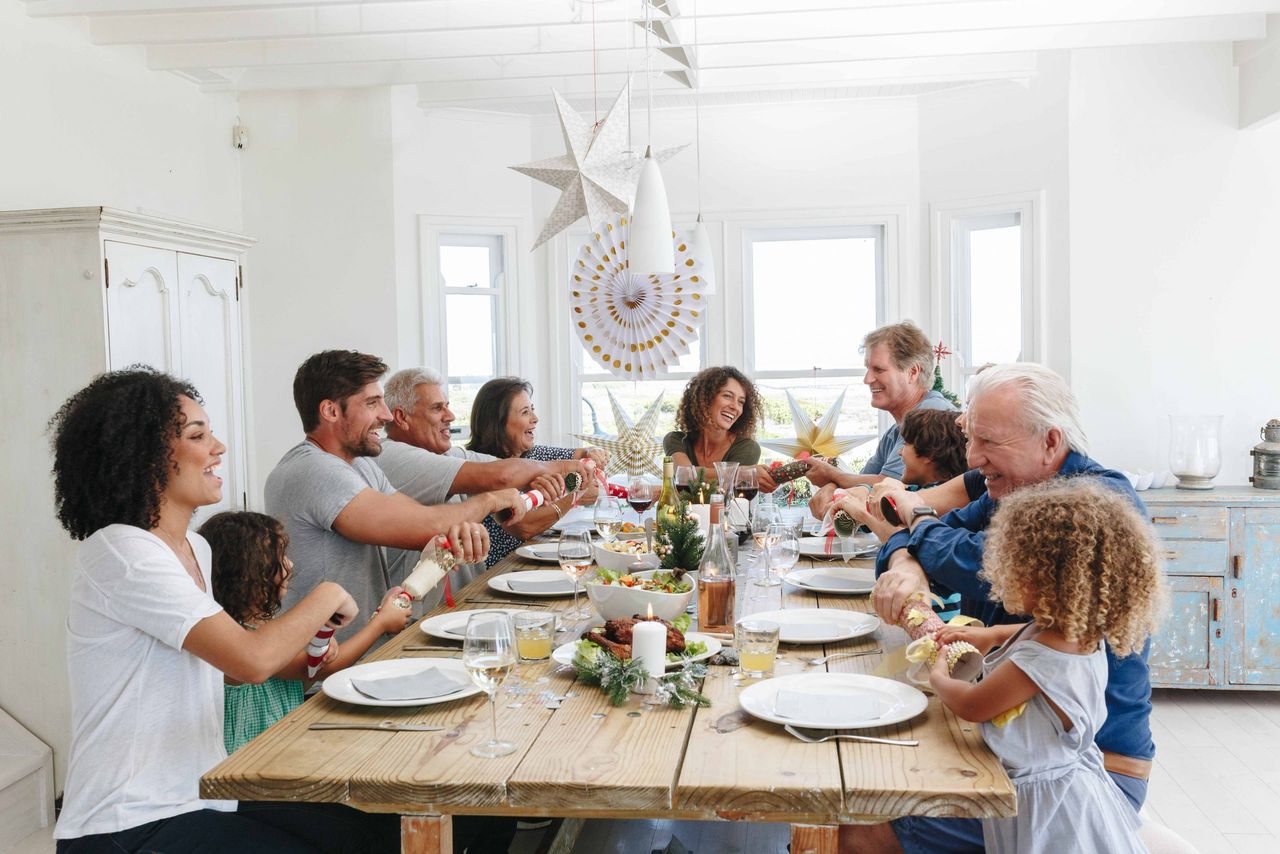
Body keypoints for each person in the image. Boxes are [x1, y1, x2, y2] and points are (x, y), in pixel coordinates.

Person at [49, 367, 395, 853]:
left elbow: (222, 671)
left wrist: (304, 645)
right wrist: (325, 596)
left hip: (206, 794)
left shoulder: (194, 546)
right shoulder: (122, 551)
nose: (219, 447)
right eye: (198, 435)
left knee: (377, 827)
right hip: (128, 822)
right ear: (145, 458)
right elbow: (249, 662)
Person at [833, 362, 1155, 854]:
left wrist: (913, 537)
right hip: (1018, 754)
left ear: (1050, 441)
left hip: (1088, 778)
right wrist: (910, 555)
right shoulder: (1010, 484)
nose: (973, 457)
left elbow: (962, 559)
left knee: (864, 821)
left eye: (988, 441)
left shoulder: (1092, 507)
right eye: (970, 439)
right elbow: (929, 543)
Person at [930, 479, 1163, 853]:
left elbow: (971, 704)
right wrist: (990, 636)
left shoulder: (1039, 660)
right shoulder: (1074, 631)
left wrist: (939, 674)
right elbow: (1027, 629)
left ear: (1048, 577)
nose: (1005, 575)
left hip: (1048, 806)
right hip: (1073, 785)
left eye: (1015, 565)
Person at [265, 351, 526, 641]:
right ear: (330, 411)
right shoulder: (315, 470)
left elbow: (420, 520)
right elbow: (426, 527)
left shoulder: (359, 464)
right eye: (372, 403)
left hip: (369, 654)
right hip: (328, 671)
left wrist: (453, 532)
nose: (386, 415)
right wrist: (490, 500)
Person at [199, 511, 414, 753]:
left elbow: (313, 661)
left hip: (279, 745)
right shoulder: (247, 640)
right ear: (246, 574)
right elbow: (318, 670)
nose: (290, 565)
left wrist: (322, 645)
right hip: (255, 758)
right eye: (278, 557)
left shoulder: (262, 628)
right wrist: (380, 624)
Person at [378, 368, 597, 601]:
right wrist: (563, 473)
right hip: (416, 615)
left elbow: (508, 470)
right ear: (402, 418)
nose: (450, 415)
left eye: (447, 405)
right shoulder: (392, 454)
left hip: (468, 598)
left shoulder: (450, 454)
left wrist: (550, 477)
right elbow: (500, 476)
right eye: (437, 408)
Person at [466, 376, 606, 566]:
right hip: (501, 571)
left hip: (535, 561)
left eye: (532, 409)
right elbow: (524, 526)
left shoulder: (532, 454)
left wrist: (592, 453)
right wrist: (575, 494)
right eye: (525, 412)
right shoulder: (481, 468)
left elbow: (580, 456)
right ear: (498, 423)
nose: (535, 418)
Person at [805, 321, 955, 490]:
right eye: (868, 369)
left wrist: (831, 475)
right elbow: (860, 482)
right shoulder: (894, 434)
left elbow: (890, 486)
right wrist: (833, 485)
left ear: (912, 372)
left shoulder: (934, 416)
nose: (867, 379)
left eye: (879, 370)